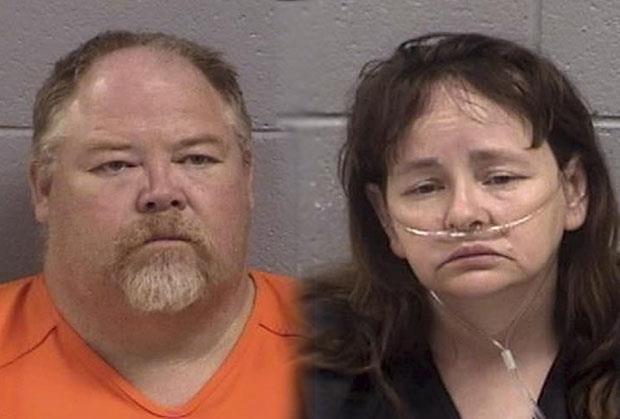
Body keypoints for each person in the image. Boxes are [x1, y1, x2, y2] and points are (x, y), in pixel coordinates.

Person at [304, 33, 619, 419]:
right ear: (386, 218)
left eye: (500, 178)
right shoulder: (312, 370)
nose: (464, 213)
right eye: (426, 187)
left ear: (574, 191)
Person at [0, 30, 300, 419]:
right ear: (43, 189)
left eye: (197, 159)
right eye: (116, 164)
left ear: (246, 179)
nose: (161, 192)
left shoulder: (356, 351)